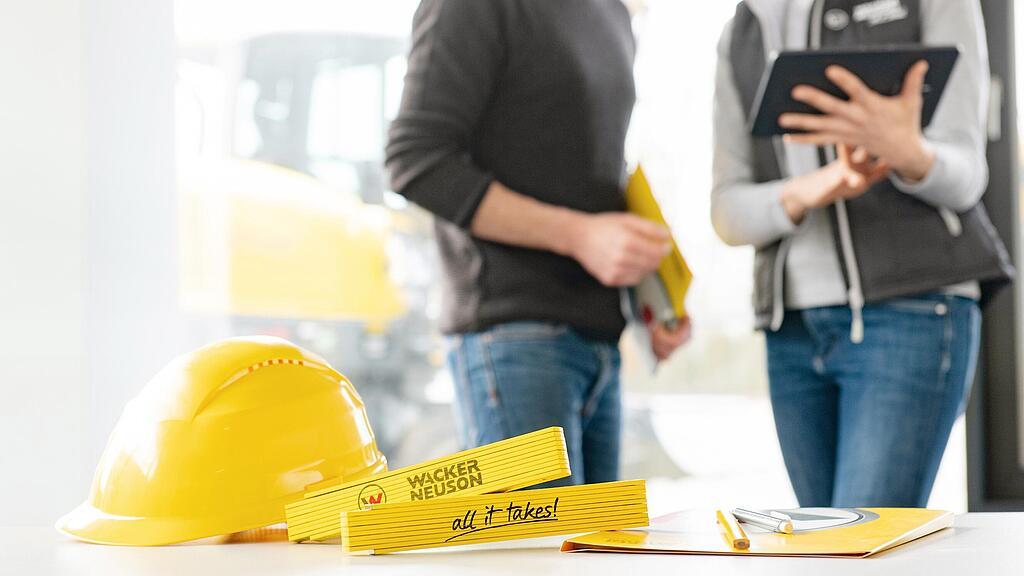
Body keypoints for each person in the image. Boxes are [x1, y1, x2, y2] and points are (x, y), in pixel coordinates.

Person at [712, 0, 1012, 507]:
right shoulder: (742, 28)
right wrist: (821, 185)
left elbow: (966, 178)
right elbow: (727, 211)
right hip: (791, 331)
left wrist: (907, 152)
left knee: (862, 551)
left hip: (912, 310)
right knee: (824, 550)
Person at [386, 0, 690, 485]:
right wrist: (580, 236)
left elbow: (586, 175)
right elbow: (415, 160)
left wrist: (651, 303)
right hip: (513, 338)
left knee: (590, 557)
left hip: (598, 341)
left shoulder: (610, 12)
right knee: (533, 560)